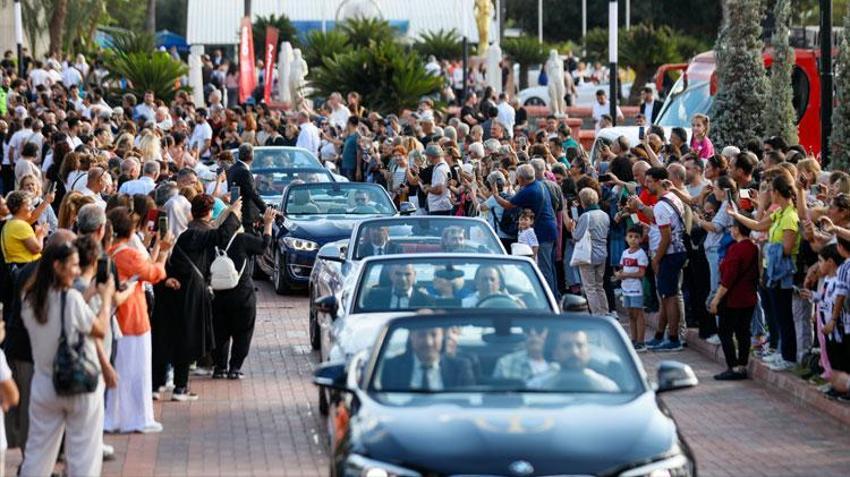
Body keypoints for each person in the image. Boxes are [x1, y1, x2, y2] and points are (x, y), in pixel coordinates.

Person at [19, 240, 115, 477]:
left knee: (37, 455)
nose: (76, 270)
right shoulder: (70, 299)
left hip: (44, 384)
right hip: (78, 384)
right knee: (83, 457)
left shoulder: (29, 300)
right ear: (57, 266)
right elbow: (100, 329)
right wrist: (106, 298)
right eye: (73, 265)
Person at [153, 195, 242, 401]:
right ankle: (179, 387)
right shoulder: (194, 234)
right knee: (185, 340)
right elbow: (221, 236)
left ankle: (160, 386)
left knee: (170, 339)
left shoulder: (190, 232)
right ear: (209, 212)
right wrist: (233, 214)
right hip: (190, 294)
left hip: (178, 291)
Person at [104, 207, 172, 433]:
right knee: (137, 371)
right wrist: (163, 253)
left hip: (118, 317)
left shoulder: (111, 251)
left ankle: (115, 416)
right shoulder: (127, 254)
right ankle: (136, 418)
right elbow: (154, 274)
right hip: (132, 317)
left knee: (122, 368)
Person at [729, 173, 800, 370]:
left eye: (771, 190)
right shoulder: (779, 213)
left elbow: (787, 248)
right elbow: (759, 225)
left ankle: (789, 357)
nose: (769, 194)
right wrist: (737, 216)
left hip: (783, 273)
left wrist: (769, 246)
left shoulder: (790, 217)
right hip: (771, 270)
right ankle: (780, 352)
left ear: (777, 192)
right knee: (777, 314)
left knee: (784, 315)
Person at [212, 208, 275, 380]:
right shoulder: (242, 239)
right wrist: (267, 225)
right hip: (242, 294)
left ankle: (219, 367)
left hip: (217, 294)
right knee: (243, 332)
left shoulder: (212, 239)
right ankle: (235, 368)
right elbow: (263, 247)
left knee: (220, 332)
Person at [629, 167, 688, 351]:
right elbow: (653, 217)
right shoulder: (670, 199)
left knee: (669, 297)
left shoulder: (663, 205)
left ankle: (673, 338)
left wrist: (656, 260)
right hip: (671, 253)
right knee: (665, 296)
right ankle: (660, 335)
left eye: (649, 182)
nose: (646, 185)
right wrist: (638, 207)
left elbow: (666, 237)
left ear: (659, 181)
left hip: (669, 254)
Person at [494, 164, 559, 296]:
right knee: (550, 268)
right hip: (550, 228)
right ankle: (554, 296)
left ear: (521, 178)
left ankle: (549, 301)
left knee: (544, 269)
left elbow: (508, 205)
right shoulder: (540, 184)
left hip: (542, 232)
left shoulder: (528, 190)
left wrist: (495, 194)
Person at [708, 219, 759, 380]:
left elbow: (728, 279)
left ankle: (733, 366)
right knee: (743, 332)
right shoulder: (753, 247)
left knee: (725, 332)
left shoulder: (736, 249)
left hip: (734, 299)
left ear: (737, 229)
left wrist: (716, 300)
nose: (731, 230)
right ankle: (742, 366)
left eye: (733, 227)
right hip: (749, 297)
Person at [380, 327, 475, 391]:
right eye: (421, 335)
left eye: (434, 335)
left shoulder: (461, 368)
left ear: (442, 337)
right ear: (412, 337)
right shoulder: (392, 367)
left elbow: (468, 404)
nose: (428, 342)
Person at [528, 330, 619, 392]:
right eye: (567, 346)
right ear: (555, 353)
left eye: (580, 345)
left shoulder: (607, 388)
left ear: (588, 351)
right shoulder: (537, 387)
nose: (574, 352)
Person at [571, 187, 610, 315]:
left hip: (588, 255)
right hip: (602, 253)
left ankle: (596, 314)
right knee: (599, 285)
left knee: (590, 287)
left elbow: (577, 236)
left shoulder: (585, 216)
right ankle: (605, 311)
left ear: (583, 201)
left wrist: (573, 228)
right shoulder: (605, 215)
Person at [615, 227, 649, 352]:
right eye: (630, 236)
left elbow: (641, 273)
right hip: (626, 288)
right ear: (626, 238)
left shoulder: (641, 254)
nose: (633, 239)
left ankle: (641, 341)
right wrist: (619, 275)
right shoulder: (624, 253)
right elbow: (622, 269)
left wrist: (625, 275)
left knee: (638, 313)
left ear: (640, 239)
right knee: (630, 314)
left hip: (636, 289)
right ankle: (633, 339)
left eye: (636, 237)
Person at [227, 143, 267, 230]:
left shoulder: (232, 168)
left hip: (236, 212)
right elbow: (253, 194)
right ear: (251, 156)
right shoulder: (244, 172)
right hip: (247, 217)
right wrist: (266, 210)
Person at [363, 264, 434, 310]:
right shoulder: (374, 297)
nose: (403, 279)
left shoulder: (426, 301)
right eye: (398, 274)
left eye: (407, 274)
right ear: (391, 275)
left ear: (414, 275)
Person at [423, 145, 452, 215]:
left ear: (431, 156)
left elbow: (439, 190)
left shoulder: (440, 169)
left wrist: (428, 189)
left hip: (439, 208)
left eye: (427, 156)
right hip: (440, 206)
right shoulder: (443, 166)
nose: (427, 158)